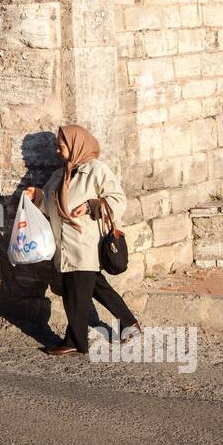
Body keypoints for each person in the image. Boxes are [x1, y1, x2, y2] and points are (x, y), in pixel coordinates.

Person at [25, 124, 141, 356]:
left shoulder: (97, 170)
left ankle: (75, 341)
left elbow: (118, 200)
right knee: (97, 287)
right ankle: (130, 324)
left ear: (76, 144)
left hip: (84, 243)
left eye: (62, 145)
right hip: (65, 245)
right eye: (58, 146)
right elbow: (49, 206)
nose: (58, 151)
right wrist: (36, 195)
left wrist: (91, 205)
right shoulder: (59, 175)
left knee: (74, 294)